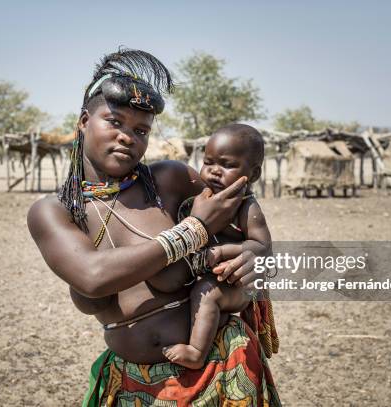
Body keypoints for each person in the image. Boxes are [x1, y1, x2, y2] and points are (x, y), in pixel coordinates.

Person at [27, 49, 280, 406]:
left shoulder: (170, 180)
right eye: (114, 122)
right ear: (85, 121)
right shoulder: (53, 212)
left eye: (141, 129)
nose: (128, 136)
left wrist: (258, 257)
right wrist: (194, 230)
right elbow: (93, 276)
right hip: (133, 386)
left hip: (224, 365)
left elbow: (246, 217)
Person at [162, 124, 280, 370]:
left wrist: (222, 252)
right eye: (208, 162)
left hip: (235, 284)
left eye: (227, 165)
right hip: (212, 276)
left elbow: (262, 246)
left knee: (206, 292)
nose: (214, 171)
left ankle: (196, 353)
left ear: (254, 174)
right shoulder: (200, 199)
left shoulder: (247, 207)